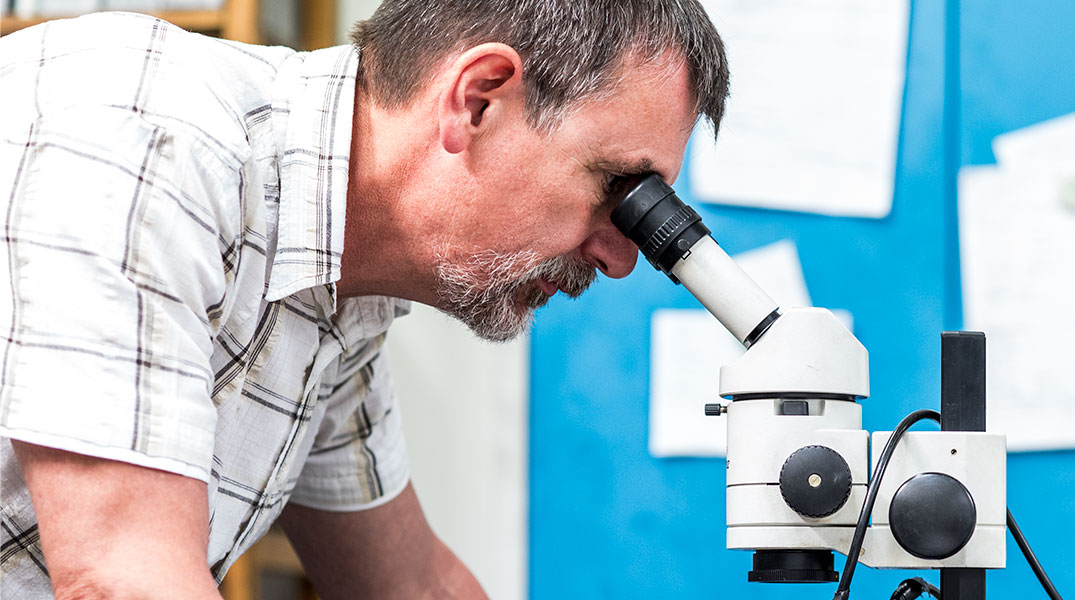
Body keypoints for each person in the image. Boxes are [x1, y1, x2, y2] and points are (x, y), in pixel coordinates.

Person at [0, 0, 728, 596]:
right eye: (616, 190)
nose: (623, 257)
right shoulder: (149, 141)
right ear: (478, 101)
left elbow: (411, 585)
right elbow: (122, 580)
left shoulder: (336, 286)